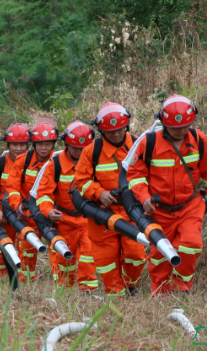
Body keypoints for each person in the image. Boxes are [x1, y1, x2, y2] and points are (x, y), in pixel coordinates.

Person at [127, 94, 207, 296]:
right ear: (163, 123)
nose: (180, 131)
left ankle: (182, 289)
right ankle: (160, 294)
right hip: (159, 211)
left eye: (184, 126)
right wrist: (144, 197)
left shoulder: (199, 140)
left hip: (190, 206)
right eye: (175, 127)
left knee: (191, 244)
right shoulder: (149, 143)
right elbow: (135, 174)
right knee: (160, 253)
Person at [73, 102, 146, 297]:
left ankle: (131, 285)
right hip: (103, 216)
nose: (115, 134)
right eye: (110, 131)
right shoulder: (91, 151)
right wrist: (99, 193)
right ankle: (117, 300)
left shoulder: (140, 146)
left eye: (119, 129)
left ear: (126, 126)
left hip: (133, 213)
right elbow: (80, 181)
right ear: (101, 130)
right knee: (106, 262)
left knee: (136, 256)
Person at [33, 121, 98, 292]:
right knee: (63, 260)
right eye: (74, 147)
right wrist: (48, 211)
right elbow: (43, 194)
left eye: (83, 147)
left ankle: (88, 292)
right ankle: (64, 291)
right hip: (63, 220)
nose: (79, 151)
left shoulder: (94, 161)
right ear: (66, 144)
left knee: (88, 257)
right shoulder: (55, 164)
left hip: (87, 219)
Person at [6, 120, 57, 282]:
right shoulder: (23, 161)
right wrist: (17, 205)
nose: (43, 148)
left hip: (51, 215)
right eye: (40, 144)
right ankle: (26, 282)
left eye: (48, 144)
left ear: (53, 144)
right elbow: (12, 187)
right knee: (27, 250)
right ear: (33, 143)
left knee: (57, 249)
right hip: (28, 215)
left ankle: (61, 284)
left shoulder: (59, 160)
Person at [0, 123, 30, 276]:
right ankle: (5, 274)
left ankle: (25, 277)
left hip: (27, 212)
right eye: (14, 144)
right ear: (8, 144)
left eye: (22, 144)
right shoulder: (0, 164)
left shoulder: (33, 162)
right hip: (5, 212)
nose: (18, 148)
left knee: (28, 246)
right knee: (5, 244)